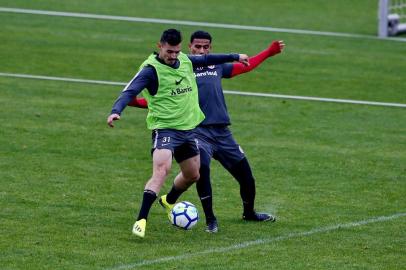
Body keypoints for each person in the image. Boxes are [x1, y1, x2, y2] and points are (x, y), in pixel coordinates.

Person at [128, 30, 285, 233]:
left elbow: (246, 66)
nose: (201, 50)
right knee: (202, 170)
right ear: (189, 48)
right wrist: (134, 103)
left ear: (210, 48)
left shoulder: (215, 66)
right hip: (197, 131)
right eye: (197, 47)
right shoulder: (182, 68)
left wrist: (268, 52)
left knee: (246, 176)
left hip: (222, 133)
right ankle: (211, 220)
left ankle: (249, 213)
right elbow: (162, 102)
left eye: (206, 47)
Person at [107, 28, 249, 238]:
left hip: (187, 131)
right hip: (165, 130)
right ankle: (141, 220)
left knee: (193, 175)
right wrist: (115, 111)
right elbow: (129, 91)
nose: (173, 56)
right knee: (162, 170)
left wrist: (235, 56)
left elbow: (209, 58)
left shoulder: (184, 60)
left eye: (176, 51)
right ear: (160, 46)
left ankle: (167, 201)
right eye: (169, 52)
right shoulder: (150, 70)